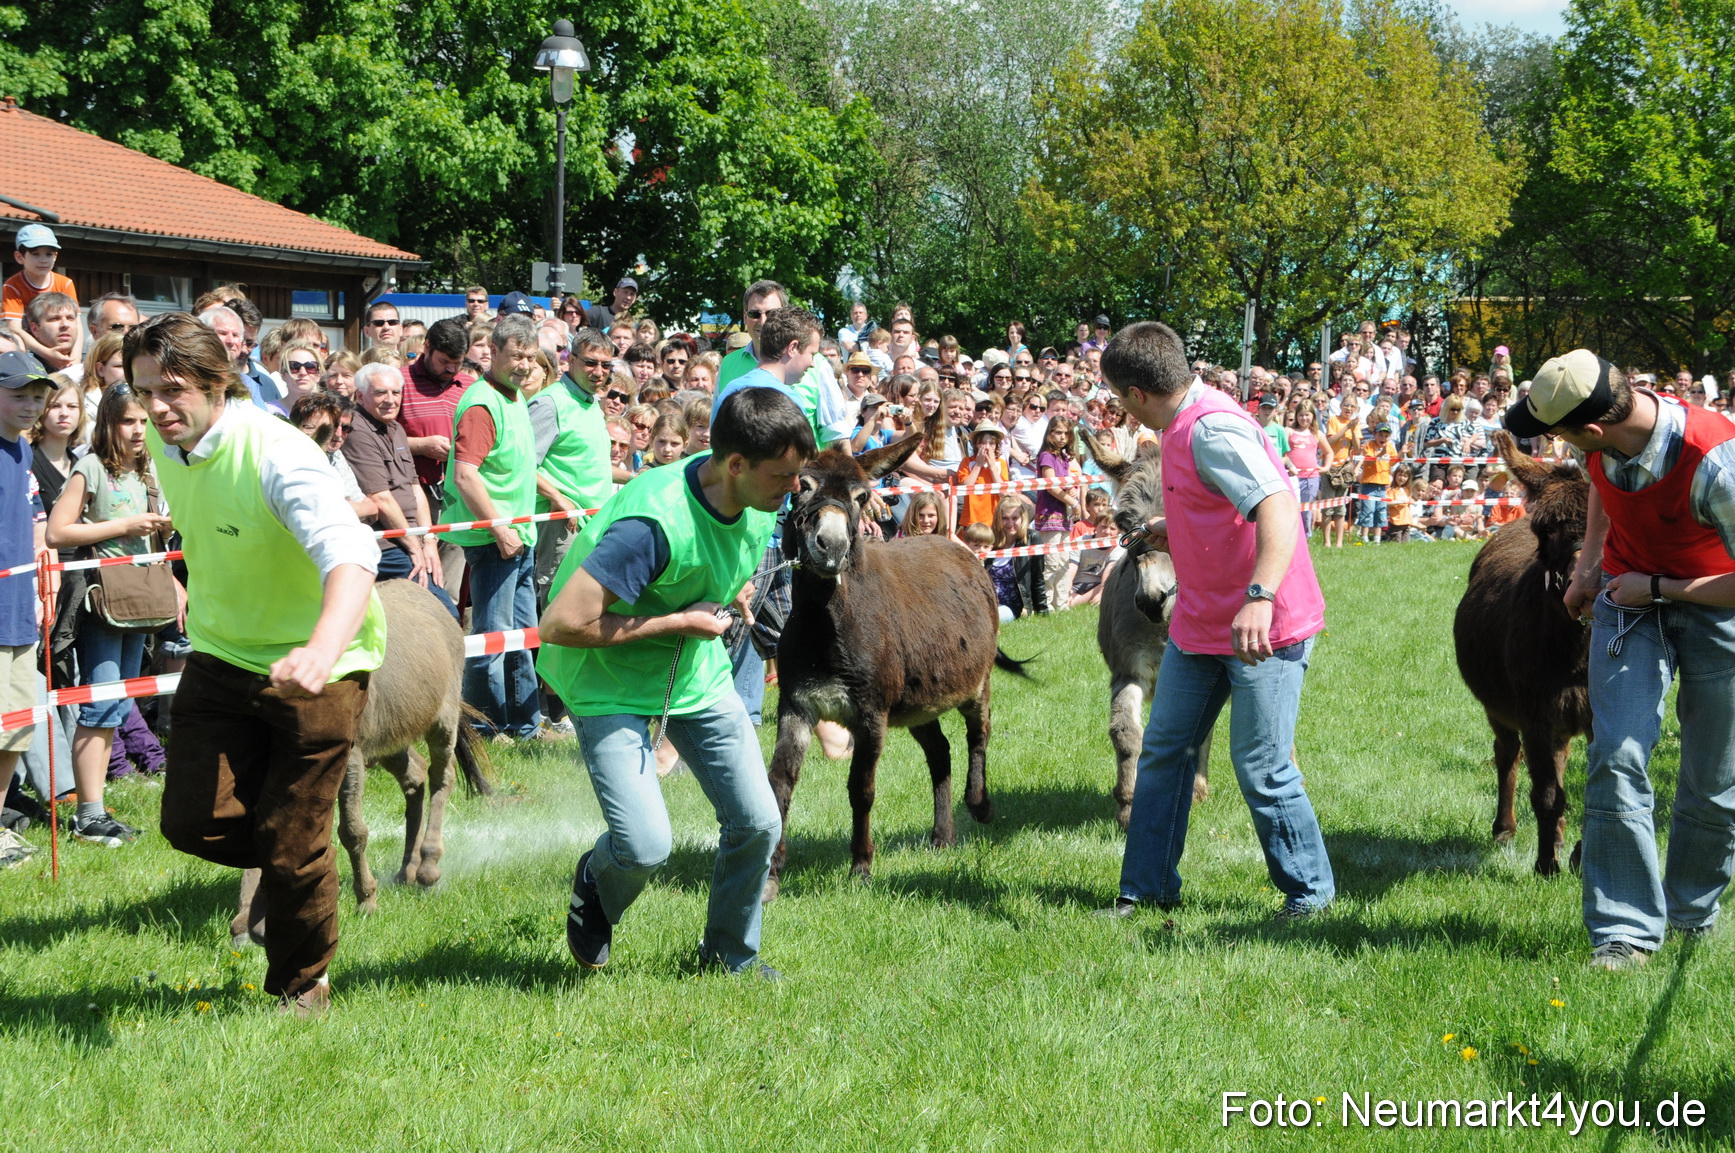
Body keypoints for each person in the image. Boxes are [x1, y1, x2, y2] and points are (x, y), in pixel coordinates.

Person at [127, 313, 386, 1014]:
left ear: (219, 382)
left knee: (295, 836)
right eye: (143, 388)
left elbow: (354, 554)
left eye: (173, 389)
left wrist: (321, 651)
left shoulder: (278, 453)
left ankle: (304, 984)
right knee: (190, 820)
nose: (155, 406)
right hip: (221, 651)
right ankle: (290, 863)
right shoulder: (162, 437)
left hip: (321, 668)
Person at [538, 386, 814, 977]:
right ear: (735, 464)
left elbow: (717, 555)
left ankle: (728, 959)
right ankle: (596, 881)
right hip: (605, 679)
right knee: (643, 847)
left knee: (759, 821)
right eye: (782, 476)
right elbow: (561, 622)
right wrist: (678, 620)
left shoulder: (754, 499)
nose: (793, 489)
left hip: (692, 675)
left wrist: (730, 589)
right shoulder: (653, 524)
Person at [1501, 351, 1735, 969]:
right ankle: (1625, 932)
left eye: (1562, 435)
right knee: (1617, 755)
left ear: (1595, 425)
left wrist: (1660, 589)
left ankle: (1691, 913)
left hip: (1716, 606)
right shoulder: (1606, 441)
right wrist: (1587, 569)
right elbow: (1603, 486)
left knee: (1714, 780)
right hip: (1628, 602)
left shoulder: (1717, 462)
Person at [1099, 320, 1333, 921]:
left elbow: (1279, 508)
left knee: (1262, 765)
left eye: (1121, 401)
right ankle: (1145, 889)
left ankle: (1309, 896)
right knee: (1165, 751)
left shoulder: (1211, 428)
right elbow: (1213, 510)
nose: (1124, 414)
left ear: (1138, 395)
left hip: (1263, 626)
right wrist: (1165, 530)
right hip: (1201, 624)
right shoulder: (1178, 425)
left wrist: (1260, 596)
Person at [46, 384, 178, 846]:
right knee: (100, 707)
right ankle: (88, 815)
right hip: (102, 603)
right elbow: (57, 532)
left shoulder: (148, 470)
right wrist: (122, 526)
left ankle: (97, 812)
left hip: (140, 602)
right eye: (129, 421)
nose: (139, 430)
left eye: (144, 421)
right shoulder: (91, 467)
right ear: (108, 423)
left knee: (118, 705)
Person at [441, 315, 544, 740]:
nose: (523, 363)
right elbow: (466, 475)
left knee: (522, 637)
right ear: (494, 352)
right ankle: (479, 728)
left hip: (519, 538)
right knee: (492, 637)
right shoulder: (483, 403)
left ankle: (522, 724)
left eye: (529, 356)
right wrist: (500, 529)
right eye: (515, 355)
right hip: (494, 540)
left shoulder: (515, 397)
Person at [0, 352, 52, 862]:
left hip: (19, 612)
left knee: (15, 727)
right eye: (19, 394)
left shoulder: (21, 451)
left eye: (38, 395)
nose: (31, 404)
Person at [341, 363, 448, 605]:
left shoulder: (397, 428)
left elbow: (414, 488)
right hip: (386, 542)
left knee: (442, 601)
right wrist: (414, 546)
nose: (390, 400)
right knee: (440, 609)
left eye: (396, 392)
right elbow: (380, 498)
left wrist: (428, 540)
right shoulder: (357, 430)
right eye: (380, 393)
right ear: (360, 395)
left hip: (410, 537)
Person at [3, 225, 81, 371]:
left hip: (63, 349)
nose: (43, 260)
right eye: (35, 254)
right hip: (31, 348)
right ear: (19, 257)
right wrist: (47, 354)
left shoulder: (65, 283)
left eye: (48, 254)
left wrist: (74, 362)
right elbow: (15, 329)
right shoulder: (12, 285)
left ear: (55, 256)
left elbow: (77, 324)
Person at [985, 495, 1046, 621]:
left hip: (1012, 607)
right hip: (986, 603)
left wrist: (1043, 613)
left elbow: (1038, 579)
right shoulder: (989, 540)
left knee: (993, 618)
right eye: (1005, 518)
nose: (1010, 523)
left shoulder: (1032, 538)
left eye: (1015, 518)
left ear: (1022, 518)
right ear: (997, 519)